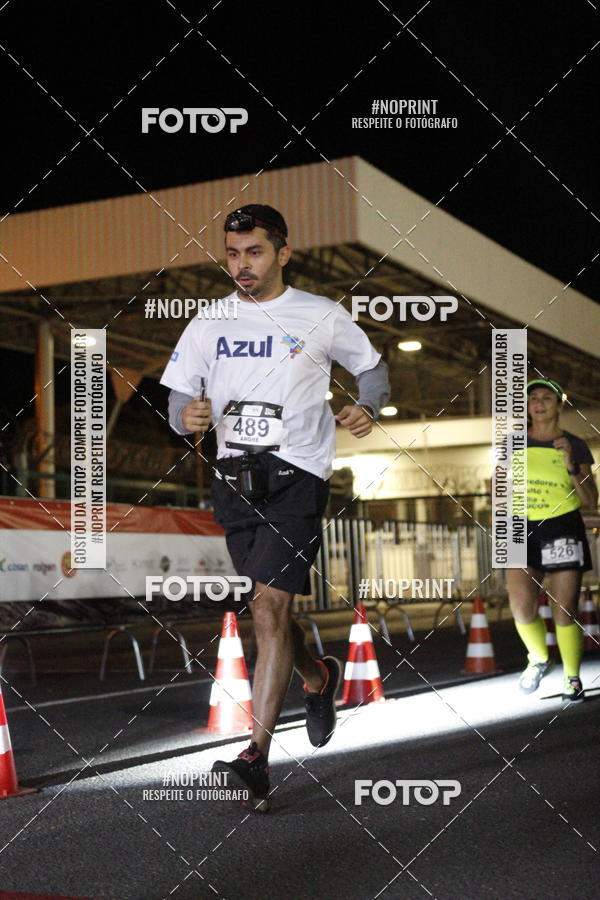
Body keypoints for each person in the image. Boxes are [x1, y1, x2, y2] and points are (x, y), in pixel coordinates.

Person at [160, 204, 390, 811]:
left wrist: (368, 406)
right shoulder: (209, 321)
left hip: (298, 476)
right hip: (234, 479)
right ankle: (317, 676)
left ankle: (255, 757)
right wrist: (185, 416)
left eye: (255, 252)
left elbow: (372, 370)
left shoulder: (320, 314)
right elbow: (178, 396)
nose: (242, 265)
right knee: (267, 607)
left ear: (283, 253)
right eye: (233, 254)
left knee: (268, 606)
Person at [507, 378, 597, 703]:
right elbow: (499, 488)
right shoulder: (513, 444)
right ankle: (539, 658)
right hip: (520, 528)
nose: (539, 403)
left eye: (547, 397)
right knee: (521, 607)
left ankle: (572, 678)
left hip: (562, 527)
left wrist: (571, 463)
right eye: (533, 398)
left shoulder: (575, 444)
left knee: (564, 609)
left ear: (559, 405)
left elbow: (591, 499)